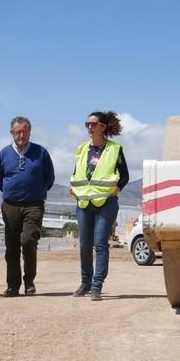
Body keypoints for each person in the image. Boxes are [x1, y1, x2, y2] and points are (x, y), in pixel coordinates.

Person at [69, 110, 128, 301]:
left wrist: (117, 189)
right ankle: (85, 282)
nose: (89, 127)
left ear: (103, 127)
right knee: (84, 245)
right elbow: (77, 172)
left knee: (100, 243)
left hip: (106, 203)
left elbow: (124, 175)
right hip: (84, 202)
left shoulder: (114, 149)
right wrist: (73, 186)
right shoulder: (81, 148)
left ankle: (96, 285)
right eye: (87, 124)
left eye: (93, 124)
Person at [0, 116, 55, 297]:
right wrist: (12, 192)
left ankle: (29, 282)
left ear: (29, 132)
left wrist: (37, 191)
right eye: (17, 132)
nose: (21, 135)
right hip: (10, 205)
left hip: (34, 205)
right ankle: (13, 285)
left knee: (28, 241)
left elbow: (49, 178)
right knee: (12, 247)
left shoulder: (41, 152)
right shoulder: (4, 153)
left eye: (24, 131)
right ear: (11, 133)